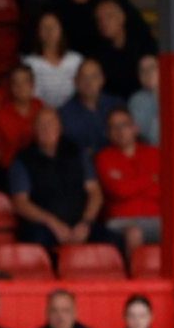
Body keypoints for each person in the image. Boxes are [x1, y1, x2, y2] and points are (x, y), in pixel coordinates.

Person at [9, 107, 105, 251]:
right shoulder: (23, 159)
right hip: (44, 227)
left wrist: (86, 222)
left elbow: (95, 192)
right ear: (34, 129)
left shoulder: (77, 152)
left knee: (113, 241)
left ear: (60, 127)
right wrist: (52, 223)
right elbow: (20, 203)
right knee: (36, 244)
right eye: (41, 125)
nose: (47, 128)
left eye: (51, 123)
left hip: (81, 224)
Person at [94, 107, 161, 252]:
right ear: (108, 133)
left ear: (135, 128)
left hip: (155, 218)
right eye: (114, 127)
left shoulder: (154, 153)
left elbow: (163, 190)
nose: (120, 131)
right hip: (121, 221)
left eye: (124, 125)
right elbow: (118, 191)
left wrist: (129, 182)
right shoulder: (104, 157)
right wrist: (151, 178)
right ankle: (136, 274)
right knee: (134, 233)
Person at [89, 0, 153, 99]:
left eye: (109, 17)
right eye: (99, 19)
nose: (104, 23)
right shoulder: (96, 54)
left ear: (122, 18)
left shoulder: (145, 46)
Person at [58, 58, 121, 158]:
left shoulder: (117, 105)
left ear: (102, 79)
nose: (89, 82)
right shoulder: (65, 114)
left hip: (117, 162)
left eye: (94, 77)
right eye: (84, 77)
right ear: (75, 81)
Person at [24, 12, 84, 110]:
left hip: (74, 113)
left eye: (53, 26)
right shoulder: (29, 63)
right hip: (41, 115)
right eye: (45, 27)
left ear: (61, 30)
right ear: (38, 32)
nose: (49, 31)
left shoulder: (76, 60)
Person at [0, 65, 44, 168]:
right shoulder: (1, 114)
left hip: (41, 166)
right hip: (14, 167)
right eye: (15, 83)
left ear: (32, 85)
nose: (20, 87)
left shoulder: (41, 107)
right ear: (10, 87)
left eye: (25, 82)